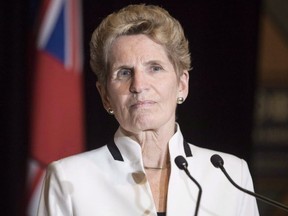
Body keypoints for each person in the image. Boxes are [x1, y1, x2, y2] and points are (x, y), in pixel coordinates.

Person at [37, 4, 259, 216]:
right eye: (124, 72)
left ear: (182, 84)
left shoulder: (230, 175)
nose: (139, 85)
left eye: (155, 68)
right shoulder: (69, 178)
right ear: (105, 95)